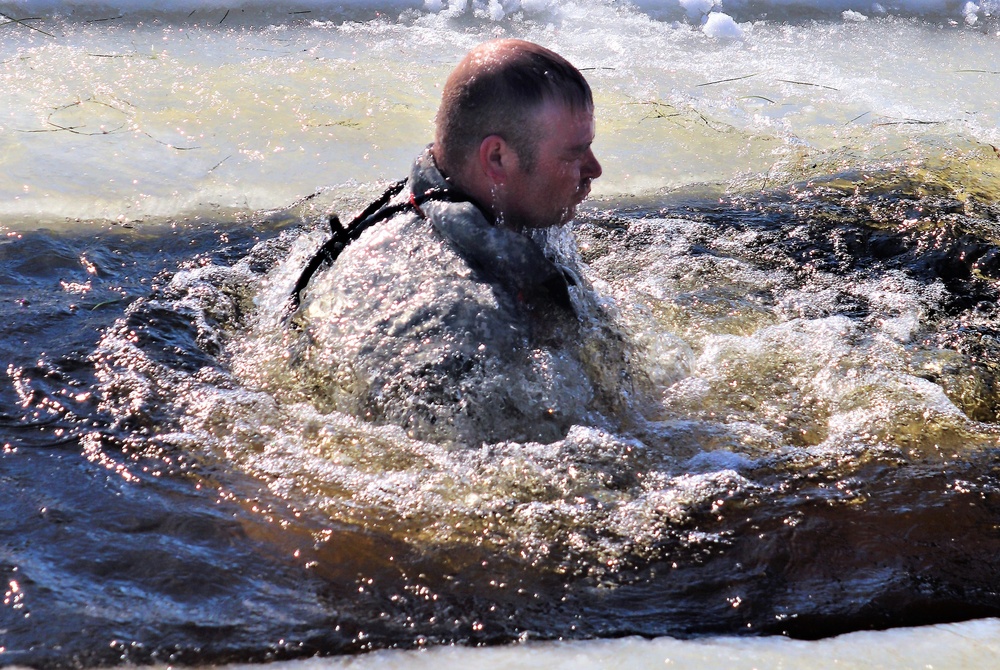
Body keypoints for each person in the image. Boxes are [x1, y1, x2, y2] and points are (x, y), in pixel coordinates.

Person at [290, 39, 643, 446]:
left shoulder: (450, 208)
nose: (594, 169)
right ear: (496, 159)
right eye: (574, 154)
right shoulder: (460, 317)